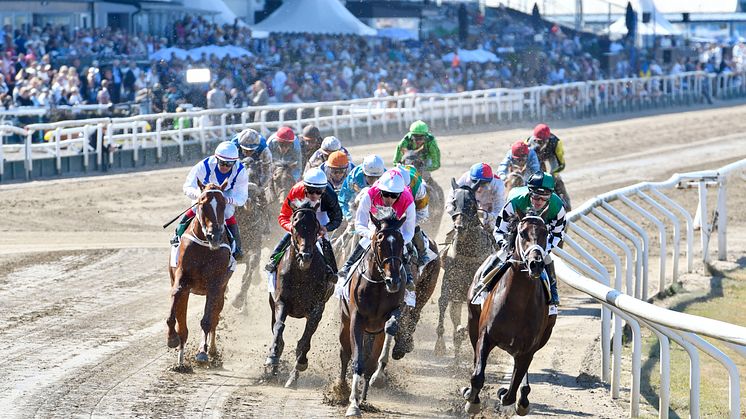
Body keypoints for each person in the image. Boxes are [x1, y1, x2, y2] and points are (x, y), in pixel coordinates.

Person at [475, 172, 566, 312]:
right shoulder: (515, 202)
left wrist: (543, 249)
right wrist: (505, 245)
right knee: (502, 254)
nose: (539, 201)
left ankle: (553, 296)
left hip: (540, 234)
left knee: (546, 258)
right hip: (516, 231)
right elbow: (499, 230)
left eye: (544, 197)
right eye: (536, 196)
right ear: (530, 192)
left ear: (551, 196)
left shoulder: (558, 207)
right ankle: (482, 286)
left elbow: (557, 234)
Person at [337, 170, 416, 291]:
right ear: (379, 190)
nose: (389, 199)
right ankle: (347, 266)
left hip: (397, 226)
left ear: (400, 194)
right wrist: (370, 235)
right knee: (367, 241)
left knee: (400, 245)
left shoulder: (408, 201)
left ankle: (409, 276)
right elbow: (359, 224)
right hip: (376, 224)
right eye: (385, 194)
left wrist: (398, 242)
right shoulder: (369, 195)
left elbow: (409, 232)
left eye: (394, 196)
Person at [171, 141, 249, 259]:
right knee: (195, 207)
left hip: (225, 193)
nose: (225, 167)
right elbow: (187, 187)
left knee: (227, 212)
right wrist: (200, 195)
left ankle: (237, 247)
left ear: (235, 162)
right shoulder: (203, 166)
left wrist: (228, 200)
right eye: (222, 163)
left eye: (229, 164)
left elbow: (242, 197)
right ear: (216, 158)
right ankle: (178, 234)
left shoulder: (240, 171)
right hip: (205, 192)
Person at [264, 168, 343, 282]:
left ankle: (332, 270)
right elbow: (283, 217)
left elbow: (337, 218)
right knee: (295, 232)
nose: (314, 195)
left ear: (324, 190)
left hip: (321, 214)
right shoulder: (296, 191)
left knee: (323, 238)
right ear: (304, 188)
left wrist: (326, 228)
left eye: (318, 192)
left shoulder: (330, 195)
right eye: (310, 191)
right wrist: (292, 228)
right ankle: (273, 260)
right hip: (303, 214)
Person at [394, 164, 432, 267]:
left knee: (411, 227)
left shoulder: (418, 187)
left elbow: (423, 213)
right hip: (392, 207)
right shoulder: (386, 182)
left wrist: (409, 223)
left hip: (415, 208)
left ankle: (423, 253)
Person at [525, 123, 571, 210]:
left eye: (541, 142)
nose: (539, 144)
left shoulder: (556, 143)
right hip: (537, 159)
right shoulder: (528, 142)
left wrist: (552, 175)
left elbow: (561, 164)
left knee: (554, 178)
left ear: (547, 139)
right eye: (536, 141)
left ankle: (566, 204)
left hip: (552, 156)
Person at [447, 162, 505, 229]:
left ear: (490, 181)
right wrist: (455, 213)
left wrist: (486, 216)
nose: (479, 188)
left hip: (489, 207)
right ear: (471, 178)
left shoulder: (498, 185)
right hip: (469, 206)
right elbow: (450, 200)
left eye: (483, 185)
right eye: (475, 183)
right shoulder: (465, 178)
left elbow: (499, 212)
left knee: (493, 227)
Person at [338, 154, 386, 221]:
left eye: (378, 177)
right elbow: (343, 200)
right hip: (357, 204)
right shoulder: (354, 177)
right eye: (371, 177)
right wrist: (349, 217)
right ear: (363, 173)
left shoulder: (386, 176)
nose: (374, 181)